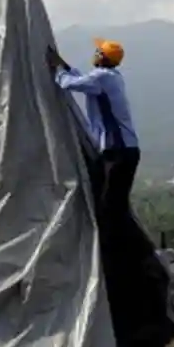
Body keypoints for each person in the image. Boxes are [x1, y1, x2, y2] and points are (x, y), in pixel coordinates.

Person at [46, 39, 140, 224]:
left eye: (98, 51)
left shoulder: (102, 77)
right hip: (123, 150)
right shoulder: (110, 76)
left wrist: (56, 69)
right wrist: (63, 65)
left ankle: (115, 248)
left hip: (117, 151)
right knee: (113, 204)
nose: (94, 53)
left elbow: (69, 83)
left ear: (102, 57)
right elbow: (82, 79)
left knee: (109, 207)